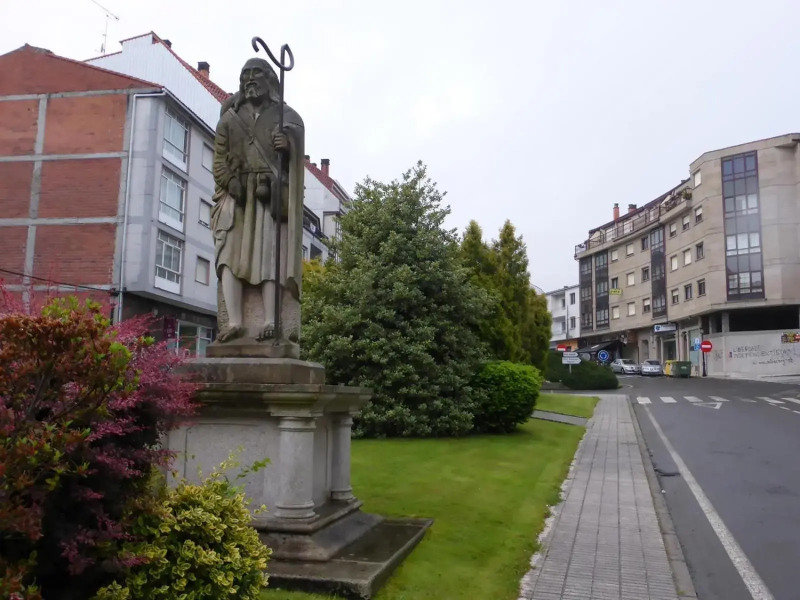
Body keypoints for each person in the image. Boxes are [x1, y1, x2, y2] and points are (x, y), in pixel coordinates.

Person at [211, 57, 305, 343]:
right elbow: (218, 161)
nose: (251, 80)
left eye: (257, 74)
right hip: (236, 196)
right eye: (246, 75)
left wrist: (288, 145)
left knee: (269, 257)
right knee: (227, 256)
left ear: (270, 81)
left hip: (268, 194)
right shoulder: (228, 119)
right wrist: (231, 182)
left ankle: (272, 320)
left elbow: (297, 150)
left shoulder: (284, 116)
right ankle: (234, 322)